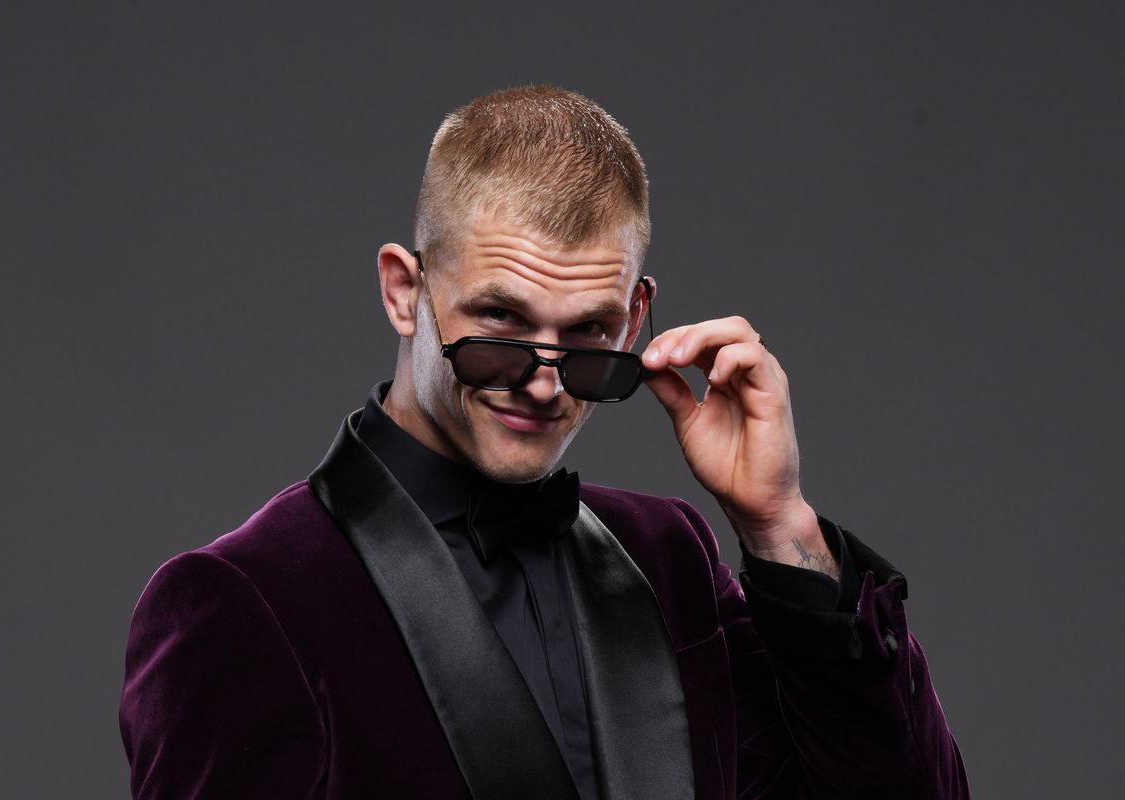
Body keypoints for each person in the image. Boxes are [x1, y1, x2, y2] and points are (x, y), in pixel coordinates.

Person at [119, 85, 969, 799]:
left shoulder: (669, 558)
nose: (545, 383)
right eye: (501, 320)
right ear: (405, 291)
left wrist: (779, 527)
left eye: (589, 334)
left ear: (635, 319)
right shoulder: (244, 602)